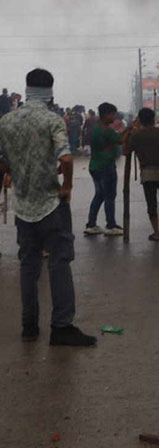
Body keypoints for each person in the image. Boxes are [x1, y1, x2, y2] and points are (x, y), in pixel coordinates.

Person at [0, 68, 96, 346]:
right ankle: (61, 326)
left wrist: (14, 173)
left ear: (27, 88)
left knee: (28, 264)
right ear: (50, 90)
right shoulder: (52, 120)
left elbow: (3, 162)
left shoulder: (6, 121)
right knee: (59, 262)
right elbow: (66, 159)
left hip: (24, 205)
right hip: (52, 204)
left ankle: (29, 326)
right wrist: (66, 187)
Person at [125, 108, 159, 241]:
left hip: (147, 173)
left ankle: (156, 232)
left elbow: (126, 151)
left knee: (151, 204)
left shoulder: (136, 135)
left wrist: (129, 133)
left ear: (140, 119)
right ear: (154, 118)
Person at [84, 102, 123, 236]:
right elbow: (121, 140)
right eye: (113, 114)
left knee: (99, 195)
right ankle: (111, 225)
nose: (114, 117)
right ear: (106, 115)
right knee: (109, 196)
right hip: (106, 166)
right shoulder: (106, 130)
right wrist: (130, 130)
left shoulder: (96, 128)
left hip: (95, 166)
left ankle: (91, 224)